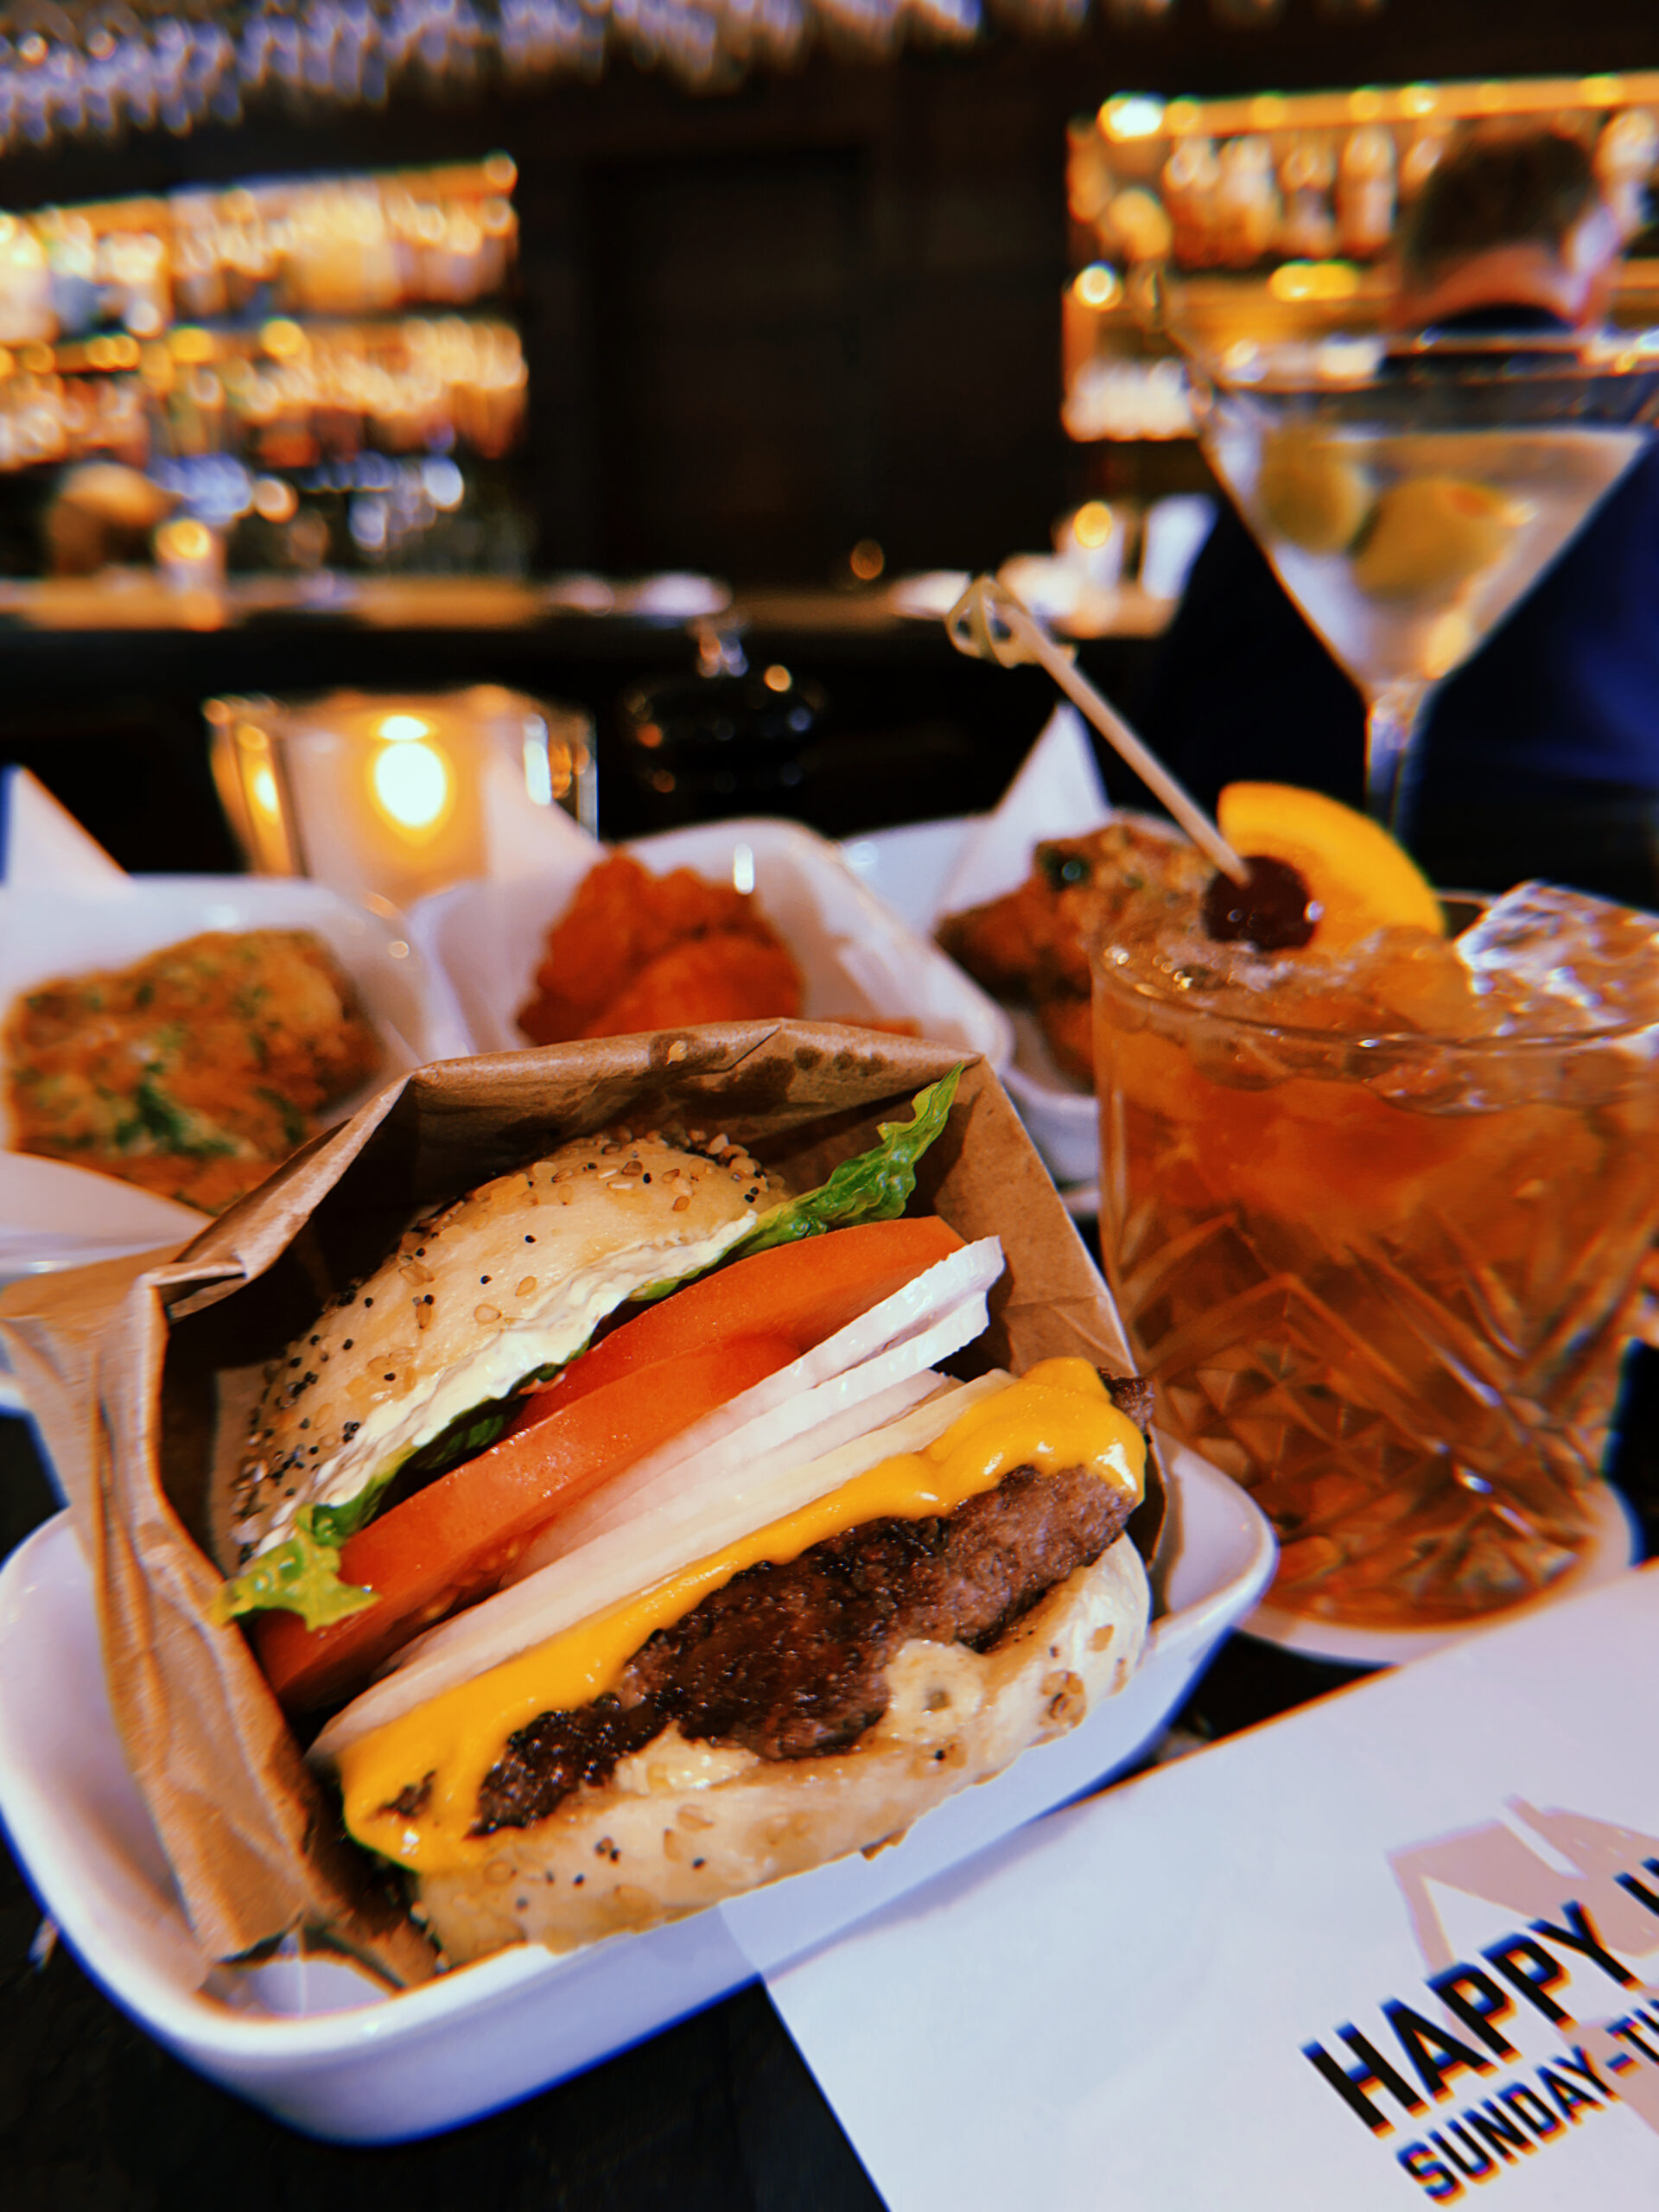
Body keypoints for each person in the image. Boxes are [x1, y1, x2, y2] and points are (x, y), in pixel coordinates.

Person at [1140, 125, 1659, 907]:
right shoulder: (1632, 433)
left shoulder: (1310, 447)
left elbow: (1166, 716)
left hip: (1298, 874)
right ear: (1592, 286)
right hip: (1612, 896)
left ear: (1397, 288)